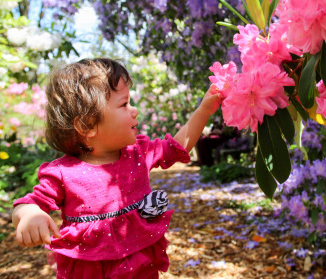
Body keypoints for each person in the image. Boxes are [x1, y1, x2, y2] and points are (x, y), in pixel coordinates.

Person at [11, 58, 222, 279]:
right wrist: (30, 215)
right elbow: (27, 203)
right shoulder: (64, 173)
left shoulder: (137, 153)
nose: (134, 111)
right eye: (124, 104)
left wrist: (204, 109)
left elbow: (176, 147)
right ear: (87, 126)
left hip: (140, 267)